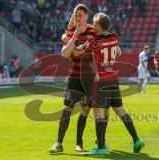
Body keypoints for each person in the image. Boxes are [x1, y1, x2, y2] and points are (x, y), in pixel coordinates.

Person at [84, 13, 144, 156]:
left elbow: (83, 51)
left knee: (99, 113)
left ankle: (101, 147)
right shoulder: (114, 37)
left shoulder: (94, 41)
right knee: (121, 111)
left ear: (98, 25)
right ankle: (136, 139)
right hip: (113, 80)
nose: (92, 25)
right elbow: (119, 52)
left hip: (101, 81)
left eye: (94, 23)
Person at [49, 4, 96, 153]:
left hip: (89, 78)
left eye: (80, 15)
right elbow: (65, 54)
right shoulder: (70, 32)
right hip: (74, 77)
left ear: (87, 16)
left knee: (85, 111)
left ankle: (79, 143)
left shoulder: (93, 32)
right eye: (75, 16)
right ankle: (58, 143)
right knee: (66, 109)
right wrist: (74, 36)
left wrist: (73, 47)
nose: (77, 18)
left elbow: (75, 53)